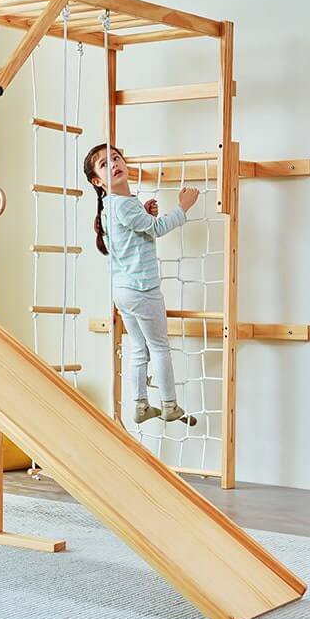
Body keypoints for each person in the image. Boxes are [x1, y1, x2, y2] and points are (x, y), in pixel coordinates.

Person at [84, 144, 199, 425]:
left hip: (123, 291)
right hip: (142, 289)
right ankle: (169, 405)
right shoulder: (122, 204)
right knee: (159, 346)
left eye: (116, 158)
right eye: (104, 164)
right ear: (97, 181)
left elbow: (134, 230)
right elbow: (157, 229)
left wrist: (145, 212)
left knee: (139, 347)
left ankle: (140, 404)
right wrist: (182, 207)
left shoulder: (114, 205)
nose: (114, 164)